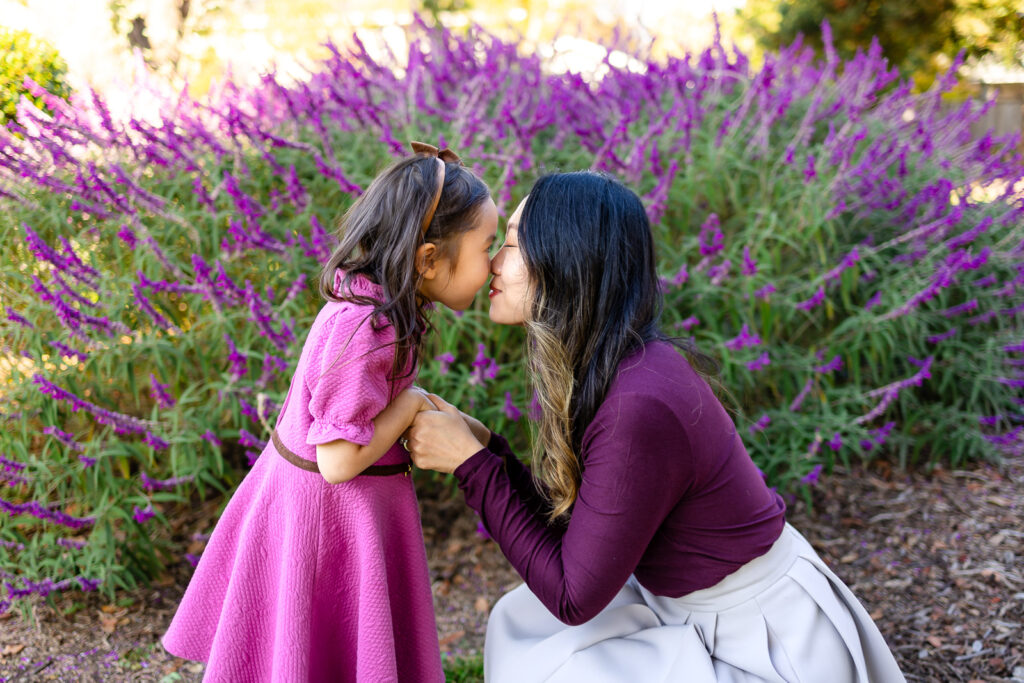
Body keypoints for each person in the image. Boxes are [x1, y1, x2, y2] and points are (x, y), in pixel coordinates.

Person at [405, 171, 906, 682]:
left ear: (567, 260)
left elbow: (572, 596)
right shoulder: (617, 368)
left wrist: (472, 467)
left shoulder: (638, 405)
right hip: (689, 607)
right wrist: (490, 453)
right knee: (519, 618)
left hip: (762, 638)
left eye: (510, 244)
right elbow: (582, 538)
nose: (491, 262)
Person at [162, 142, 498, 682]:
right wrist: (413, 404)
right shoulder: (363, 327)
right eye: (487, 246)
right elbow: (337, 462)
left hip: (349, 512)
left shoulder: (385, 310)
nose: (496, 261)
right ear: (429, 259)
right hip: (327, 523)